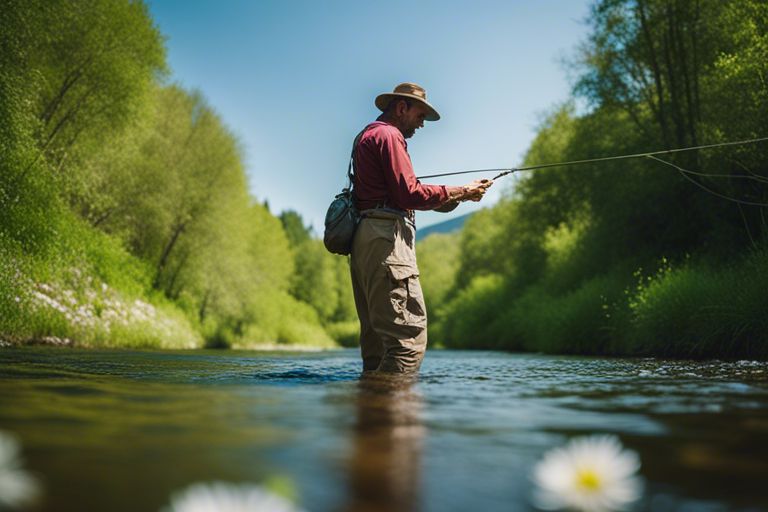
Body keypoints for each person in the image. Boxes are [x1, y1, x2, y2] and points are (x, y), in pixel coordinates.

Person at [350, 82, 491, 374]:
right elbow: (409, 194)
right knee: (406, 343)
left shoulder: (367, 135)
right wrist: (462, 190)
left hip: (364, 240)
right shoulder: (390, 136)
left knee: (377, 346)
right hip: (387, 240)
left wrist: (456, 196)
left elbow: (399, 194)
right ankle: (395, 417)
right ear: (402, 108)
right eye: (420, 116)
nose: (422, 124)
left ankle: (372, 415)